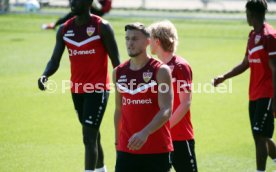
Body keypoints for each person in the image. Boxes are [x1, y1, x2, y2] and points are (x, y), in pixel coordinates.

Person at [37, 0, 120, 171]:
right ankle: (101, 169)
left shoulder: (102, 27)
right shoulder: (64, 30)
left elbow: (117, 63)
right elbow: (54, 60)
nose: (72, 2)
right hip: (76, 91)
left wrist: (125, 88)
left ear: (89, 2)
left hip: (98, 89)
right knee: (93, 135)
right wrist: (45, 75)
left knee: (88, 137)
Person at [213, 0, 276, 171]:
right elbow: (245, 63)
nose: (245, 16)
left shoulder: (269, 37)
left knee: (260, 136)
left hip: (267, 94)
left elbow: (275, 69)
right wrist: (224, 76)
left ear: (252, 15)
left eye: (246, 13)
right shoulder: (252, 36)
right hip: (254, 94)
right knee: (260, 136)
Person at [113, 22, 173, 172]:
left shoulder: (161, 71)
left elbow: (166, 109)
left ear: (147, 42)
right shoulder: (118, 72)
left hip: (156, 149)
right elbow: (118, 109)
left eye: (135, 39)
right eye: (127, 38)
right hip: (126, 148)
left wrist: (145, 132)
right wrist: (117, 141)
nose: (130, 43)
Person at [148, 20, 197, 172]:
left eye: (150, 38)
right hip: (160, 138)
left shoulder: (180, 66)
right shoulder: (154, 68)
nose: (148, 42)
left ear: (157, 41)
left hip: (180, 138)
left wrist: (164, 126)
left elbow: (185, 102)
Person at [42, 0, 112, 30]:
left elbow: (103, 9)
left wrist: (96, 5)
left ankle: (54, 25)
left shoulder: (108, 1)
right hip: (86, 11)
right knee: (69, 16)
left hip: (92, 14)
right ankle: (54, 25)